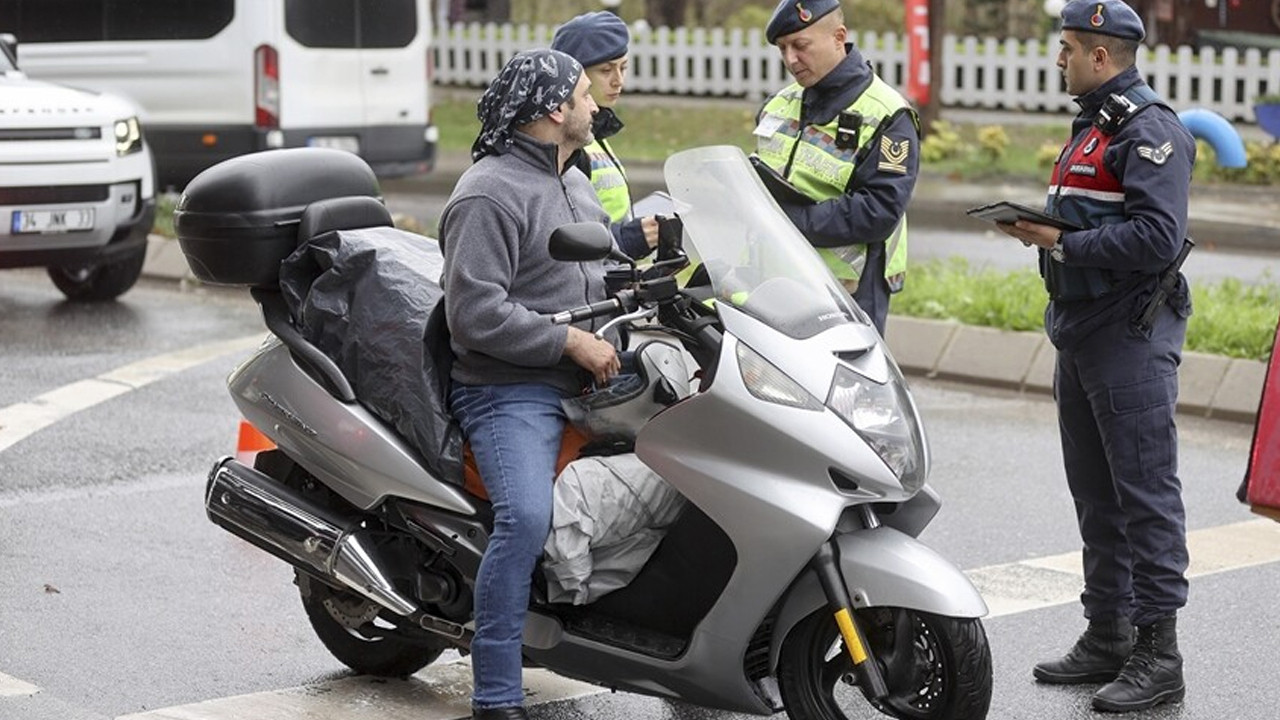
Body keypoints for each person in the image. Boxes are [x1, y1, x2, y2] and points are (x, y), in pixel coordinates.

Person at [993, 0, 1195, 713]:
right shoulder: (1094, 128)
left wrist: (1059, 243)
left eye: (1068, 49)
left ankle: (1158, 653)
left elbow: (1157, 238)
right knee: (1095, 494)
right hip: (1080, 331)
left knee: (1143, 496)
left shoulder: (1150, 131)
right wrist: (1042, 229)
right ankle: (1106, 632)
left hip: (1127, 335)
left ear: (1101, 55)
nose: (1060, 59)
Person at [439, 48, 621, 720]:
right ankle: (495, 694)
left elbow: (598, 262)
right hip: (508, 388)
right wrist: (569, 340)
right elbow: (475, 312)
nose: (596, 104)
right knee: (525, 518)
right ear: (554, 110)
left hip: (587, 377)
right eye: (583, 93)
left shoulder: (571, 177)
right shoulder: (488, 192)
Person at [755, 0, 920, 336]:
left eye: (800, 46)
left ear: (838, 37)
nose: (790, 60)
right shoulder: (778, 105)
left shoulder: (889, 115)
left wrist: (790, 223)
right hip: (778, 282)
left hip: (849, 292)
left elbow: (879, 210)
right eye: (782, 48)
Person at [551, 10, 661, 260]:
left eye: (623, 68)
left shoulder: (595, 131)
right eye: (605, 70)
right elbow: (559, 236)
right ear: (574, 75)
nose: (618, 80)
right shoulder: (565, 141)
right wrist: (625, 239)